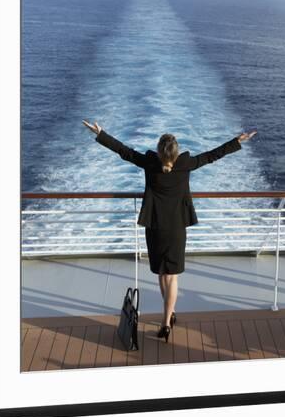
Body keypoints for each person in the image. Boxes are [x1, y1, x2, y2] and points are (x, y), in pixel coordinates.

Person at [82, 119, 257, 343]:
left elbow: (124, 151)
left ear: (159, 151)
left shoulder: (150, 163)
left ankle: (169, 314)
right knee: (172, 276)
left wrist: (101, 133)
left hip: (154, 226)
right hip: (176, 228)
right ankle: (166, 321)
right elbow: (213, 155)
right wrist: (237, 141)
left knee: (162, 274)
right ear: (176, 152)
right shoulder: (186, 164)